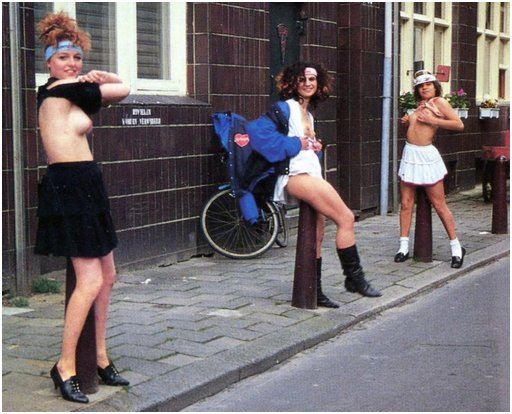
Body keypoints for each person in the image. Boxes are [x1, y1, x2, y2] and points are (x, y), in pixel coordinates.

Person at [35, 11, 131, 404]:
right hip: (69, 185)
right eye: (63, 58)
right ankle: (65, 365)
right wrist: (104, 77)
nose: (72, 64)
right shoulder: (59, 90)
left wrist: (92, 79)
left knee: (107, 275)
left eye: (77, 57)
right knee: (89, 279)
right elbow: (125, 89)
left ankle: (100, 355)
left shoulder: (72, 90)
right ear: (49, 63)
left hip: (87, 181)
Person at [246, 62, 381, 308]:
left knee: (317, 235)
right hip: (296, 176)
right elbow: (256, 134)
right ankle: (354, 278)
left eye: (313, 79)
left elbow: (304, 152)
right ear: (291, 83)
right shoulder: (284, 108)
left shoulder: (308, 114)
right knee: (346, 218)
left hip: (309, 174)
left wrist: (314, 147)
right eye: (302, 79)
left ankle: (315, 292)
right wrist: (297, 143)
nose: (308, 83)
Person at [395, 70, 466, 268]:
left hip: (426, 155)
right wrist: (410, 120)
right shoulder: (420, 105)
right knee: (406, 202)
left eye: (428, 84)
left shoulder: (439, 103)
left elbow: (458, 124)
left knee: (439, 203)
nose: (424, 88)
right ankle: (403, 246)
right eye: (420, 85)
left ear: (435, 86)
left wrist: (432, 121)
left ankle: (456, 247)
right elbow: (418, 127)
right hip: (410, 154)